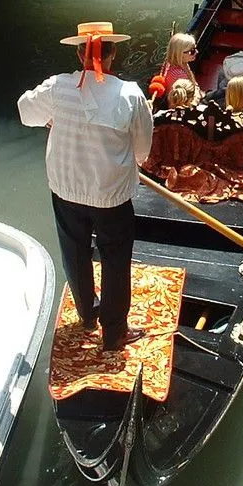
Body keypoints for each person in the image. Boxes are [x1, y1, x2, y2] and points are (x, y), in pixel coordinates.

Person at [18, 21, 154, 352]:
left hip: (65, 189)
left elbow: (25, 112)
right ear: (113, 54)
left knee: (75, 252)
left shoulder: (58, 88)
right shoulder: (130, 94)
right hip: (110, 196)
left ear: (80, 52)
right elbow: (142, 152)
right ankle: (114, 333)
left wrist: (53, 117)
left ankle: (88, 315)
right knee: (115, 259)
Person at [160, 32, 203, 105]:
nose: (197, 52)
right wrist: (198, 92)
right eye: (192, 51)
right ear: (179, 53)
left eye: (195, 48)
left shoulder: (181, 63)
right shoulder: (179, 76)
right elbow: (189, 101)